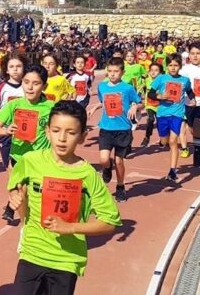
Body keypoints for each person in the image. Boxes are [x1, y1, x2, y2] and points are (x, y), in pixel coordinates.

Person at [7, 101, 121, 295]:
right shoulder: (29, 161)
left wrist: (71, 227)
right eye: (56, 130)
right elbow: (17, 196)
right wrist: (17, 200)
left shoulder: (88, 175)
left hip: (66, 261)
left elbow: (110, 222)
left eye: (71, 133)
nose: (62, 138)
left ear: (83, 136)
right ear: (47, 131)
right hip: (32, 254)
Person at [0, 65, 55, 223]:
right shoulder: (14, 105)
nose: (30, 87)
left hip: (40, 159)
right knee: (18, 193)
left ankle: (23, 222)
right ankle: (22, 224)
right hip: (18, 157)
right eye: (26, 82)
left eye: (36, 83)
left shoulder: (51, 107)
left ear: (44, 86)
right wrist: (7, 130)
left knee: (26, 194)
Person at [87, 58, 140, 202]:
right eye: (109, 71)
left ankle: (120, 186)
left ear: (122, 72)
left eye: (116, 71)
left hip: (123, 129)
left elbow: (139, 102)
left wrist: (135, 106)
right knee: (104, 159)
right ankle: (106, 168)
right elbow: (103, 101)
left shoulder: (127, 88)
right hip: (106, 128)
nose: (112, 74)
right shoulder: (102, 87)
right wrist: (94, 107)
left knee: (119, 161)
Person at [149, 54, 194, 182]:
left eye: (176, 65)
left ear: (180, 66)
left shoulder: (185, 80)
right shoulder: (161, 78)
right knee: (165, 141)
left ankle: (172, 171)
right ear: (167, 66)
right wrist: (159, 97)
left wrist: (193, 100)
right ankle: (163, 141)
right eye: (170, 65)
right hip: (162, 113)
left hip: (177, 114)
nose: (173, 68)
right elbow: (150, 93)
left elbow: (190, 91)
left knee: (173, 141)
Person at [140, 63, 163, 148]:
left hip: (160, 105)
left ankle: (162, 138)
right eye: (151, 70)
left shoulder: (162, 81)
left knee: (160, 122)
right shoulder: (146, 80)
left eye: (156, 70)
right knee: (150, 119)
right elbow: (140, 89)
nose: (153, 72)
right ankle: (147, 137)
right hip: (149, 105)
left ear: (160, 73)